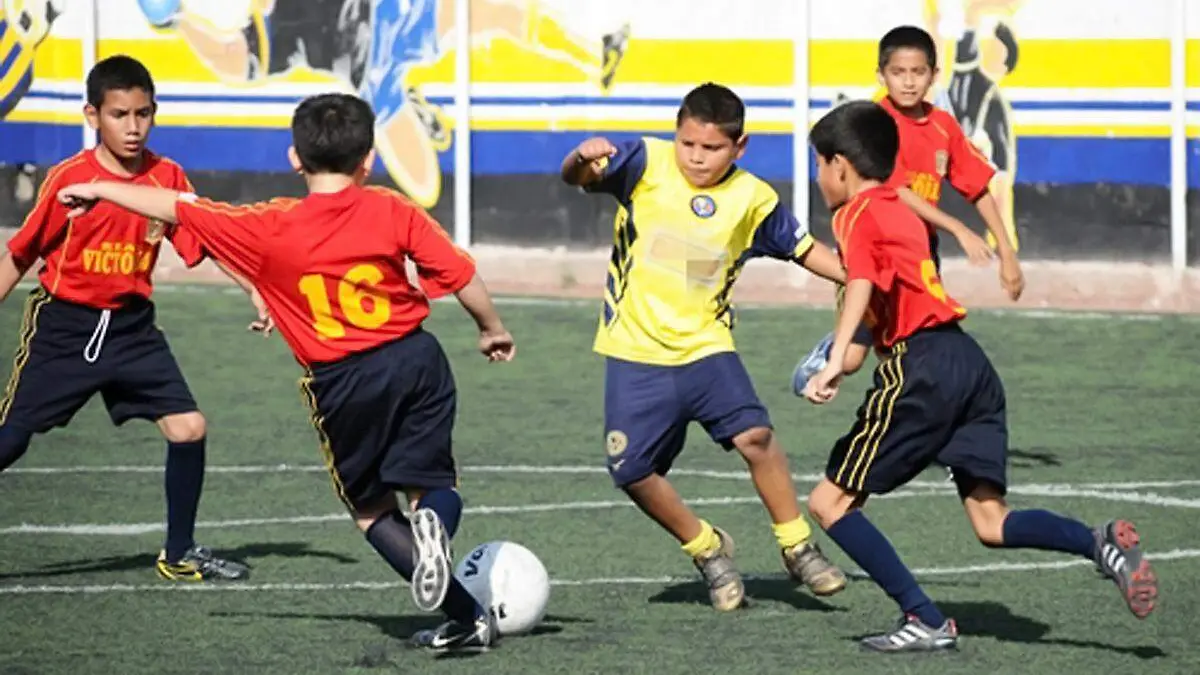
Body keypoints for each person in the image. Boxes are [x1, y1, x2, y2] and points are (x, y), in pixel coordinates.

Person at [56, 92, 516, 653]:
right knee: (433, 486)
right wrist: (491, 328)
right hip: (416, 361)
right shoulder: (394, 209)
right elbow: (461, 273)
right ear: (368, 159)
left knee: (371, 511)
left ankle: (457, 603)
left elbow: (174, 206)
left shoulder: (268, 224)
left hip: (343, 382)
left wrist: (100, 187)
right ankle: (446, 557)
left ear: (294, 158)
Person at [800, 99, 1158, 654]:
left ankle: (925, 619)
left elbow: (865, 286)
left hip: (921, 368)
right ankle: (1098, 543)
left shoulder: (853, 215)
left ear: (840, 165)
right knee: (991, 521)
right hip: (968, 364)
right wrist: (842, 356)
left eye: (818, 165)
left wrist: (835, 354)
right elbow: (887, 295)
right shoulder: (898, 204)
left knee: (830, 504)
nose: (817, 178)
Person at [561, 82, 848, 612]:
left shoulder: (753, 197)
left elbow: (803, 249)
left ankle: (797, 545)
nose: (695, 157)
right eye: (688, 143)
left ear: (739, 148)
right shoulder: (645, 161)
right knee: (631, 471)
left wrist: (858, 276)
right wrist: (581, 158)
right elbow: (578, 179)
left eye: (711, 148)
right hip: (634, 350)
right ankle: (708, 549)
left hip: (707, 347)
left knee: (756, 436)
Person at [0, 54, 254, 582]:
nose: (133, 127)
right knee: (12, 438)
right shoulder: (69, 179)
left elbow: (203, 240)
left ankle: (179, 553)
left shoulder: (167, 177)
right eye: (120, 115)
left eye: (143, 114)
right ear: (93, 116)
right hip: (66, 327)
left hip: (133, 328)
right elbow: (20, 255)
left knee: (189, 428)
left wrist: (255, 290)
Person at [792, 25, 1024, 395]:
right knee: (857, 357)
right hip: (873, 244)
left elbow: (977, 185)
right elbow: (895, 191)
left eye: (918, 72)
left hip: (917, 251)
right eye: (898, 73)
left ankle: (912, 419)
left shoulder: (943, 126)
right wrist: (959, 229)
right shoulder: (875, 125)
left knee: (910, 347)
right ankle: (830, 358)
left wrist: (1007, 250)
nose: (909, 82)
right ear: (881, 75)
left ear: (934, 75)